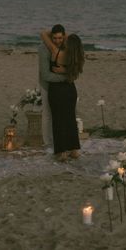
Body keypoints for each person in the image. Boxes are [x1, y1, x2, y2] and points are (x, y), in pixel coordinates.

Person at [41, 29, 85, 162]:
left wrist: (61, 32)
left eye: (64, 38)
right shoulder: (77, 58)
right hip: (70, 90)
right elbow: (74, 74)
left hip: (57, 90)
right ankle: (74, 150)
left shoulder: (57, 52)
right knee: (70, 119)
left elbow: (43, 33)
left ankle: (62, 152)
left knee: (58, 120)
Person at [38, 24, 67, 152]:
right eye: (54, 38)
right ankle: (47, 143)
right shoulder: (44, 49)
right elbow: (45, 75)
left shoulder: (66, 47)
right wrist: (65, 77)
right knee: (47, 114)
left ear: (63, 37)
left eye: (60, 38)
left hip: (62, 87)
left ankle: (60, 140)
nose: (57, 41)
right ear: (51, 37)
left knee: (62, 114)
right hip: (47, 85)